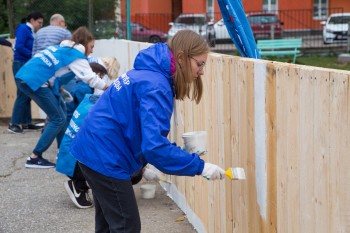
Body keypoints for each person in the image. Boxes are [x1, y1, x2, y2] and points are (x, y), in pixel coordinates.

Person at [71, 29, 225, 232]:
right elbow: (155, 146)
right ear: (181, 57)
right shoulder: (157, 86)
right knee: (127, 226)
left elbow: (133, 126)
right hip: (104, 156)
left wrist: (142, 166)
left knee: (109, 225)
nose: (202, 71)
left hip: (93, 148)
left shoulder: (149, 73)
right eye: (200, 63)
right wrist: (200, 167)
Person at [14, 26, 108, 169]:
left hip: (26, 75)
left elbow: (54, 70)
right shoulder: (75, 55)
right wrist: (111, 88)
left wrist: (59, 89)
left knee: (62, 111)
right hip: (36, 80)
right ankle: (34, 157)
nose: (92, 51)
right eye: (91, 46)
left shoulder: (63, 48)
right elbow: (91, 78)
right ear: (84, 43)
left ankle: (62, 151)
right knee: (58, 118)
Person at [8, 12, 44, 134]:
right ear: (32, 20)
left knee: (26, 93)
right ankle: (14, 123)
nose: (40, 25)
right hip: (21, 63)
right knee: (24, 92)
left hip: (25, 64)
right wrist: (34, 56)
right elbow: (19, 46)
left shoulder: (30, 31)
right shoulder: (24, 28)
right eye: (39, 22)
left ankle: (26, 122)